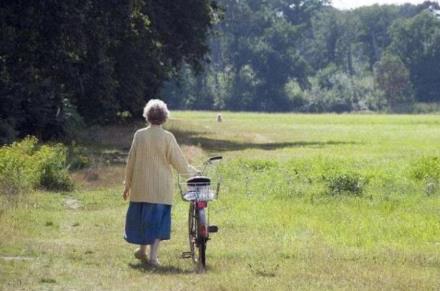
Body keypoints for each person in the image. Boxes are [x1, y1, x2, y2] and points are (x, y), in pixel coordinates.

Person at [122, 99, 198, 266]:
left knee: (143, 220)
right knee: (158, 223)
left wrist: (127, 185)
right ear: (165, 117)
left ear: (147, 116)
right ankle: (153, 257)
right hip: (161, 190)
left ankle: (142, 251)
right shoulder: (167, 137)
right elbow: (179, 162)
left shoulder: (139, 135)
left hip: (140, 188)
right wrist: (193, 175)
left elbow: (131, 162)